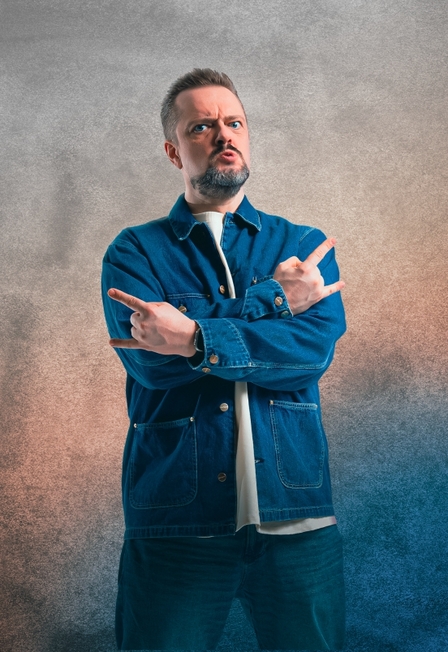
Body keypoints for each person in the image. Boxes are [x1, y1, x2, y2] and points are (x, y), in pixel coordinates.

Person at [102, 68, 346, 651]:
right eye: (201, 126)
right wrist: (272, 301)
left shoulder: (303, 246)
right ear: (173, 150)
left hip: (298, 519)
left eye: (234, 123)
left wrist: (192, 335)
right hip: (177, 524)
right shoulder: (135, 250)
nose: (223, 135)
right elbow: (152, 364)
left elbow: (308, 355)